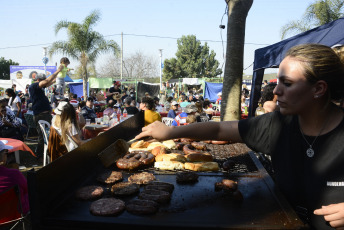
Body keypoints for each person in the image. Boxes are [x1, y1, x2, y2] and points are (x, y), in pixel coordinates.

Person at [135, 44, 344, 229]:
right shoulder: (277, 124)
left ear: (318, 89)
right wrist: (170, 132)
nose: (276, 91)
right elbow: (219, 130)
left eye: (287, 83)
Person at [29, 65, 64, 159]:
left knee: (48, 134)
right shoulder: (34, 86)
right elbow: (47, 81)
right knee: (42, 136)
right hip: (41, 115)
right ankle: (40, 154)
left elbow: (49, 82)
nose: (45, 81)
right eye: (43, 79)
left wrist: (59, 75)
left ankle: (46, 152)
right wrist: (58, 71)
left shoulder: (38, 87)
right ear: (39, 79)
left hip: (44, 114)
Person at [0, 140, 30, 215]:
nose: (7, 155)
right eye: (6, 153)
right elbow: (28, 189)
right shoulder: (14, 174)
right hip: (14, 214)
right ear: (2, 156)